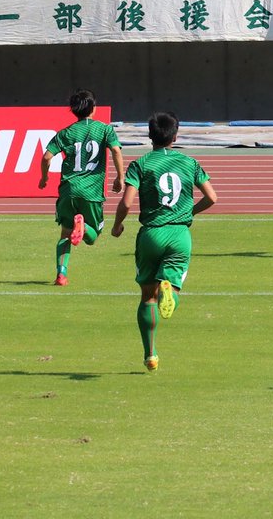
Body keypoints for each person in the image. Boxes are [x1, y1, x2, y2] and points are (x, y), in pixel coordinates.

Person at [111, 112, 217, 372]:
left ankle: (150, 354)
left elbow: (126, 202)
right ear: (176, 136)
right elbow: (212, 198)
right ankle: (169, 292)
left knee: (147, 297)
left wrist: (117, 225)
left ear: (149, 136)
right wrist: (188, 212)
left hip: (151, 234)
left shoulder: (140, 164)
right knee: (171, 289)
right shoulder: (189, 162)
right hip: (180, 234)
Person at [38, 89, 125, 286]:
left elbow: (46, 157)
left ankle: (61, 274)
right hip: (91, 192)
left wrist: (44, 178)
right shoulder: (104, 129)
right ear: (93, 108)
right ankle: (84, 227)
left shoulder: (66, 132)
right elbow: (116, 151)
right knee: (92, 236)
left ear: (74, 110)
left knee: (65, 233)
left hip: (69, 190)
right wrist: (120, 177)